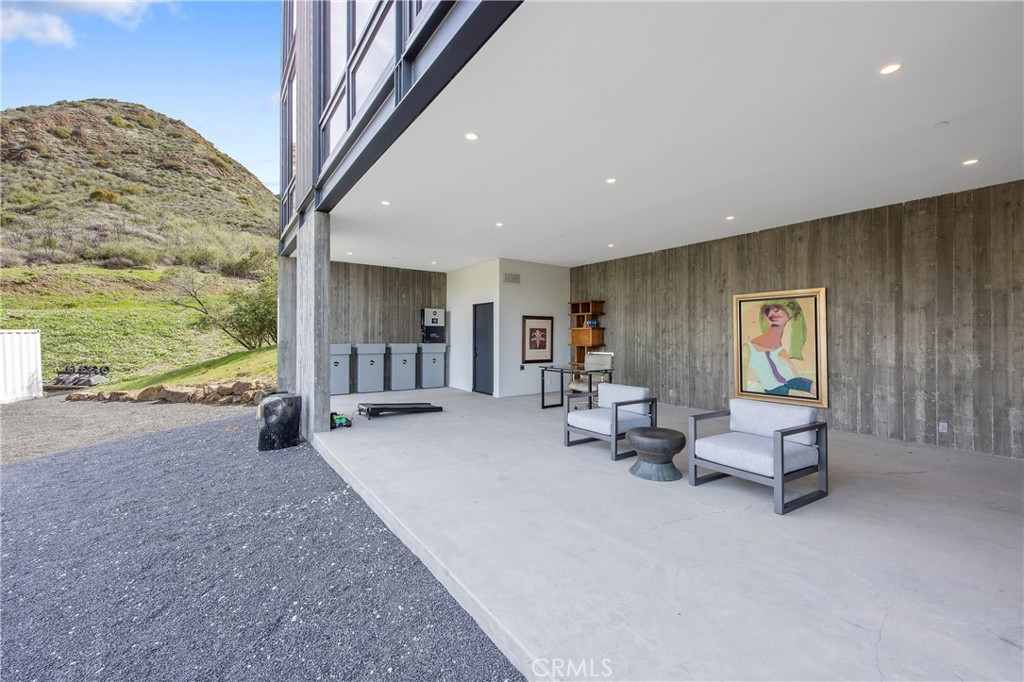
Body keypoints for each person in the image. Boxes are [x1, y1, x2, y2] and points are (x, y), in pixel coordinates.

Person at [741, 298, 814, 397]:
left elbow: (794, 374)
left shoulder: (783, 348)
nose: (776, 312)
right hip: (773, 389)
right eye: (773, 310)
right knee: (801, 395)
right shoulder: (747, 348)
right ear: (765, 317)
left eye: (780, 309)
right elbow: (742, 380)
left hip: (790, 381)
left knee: (813, 386)